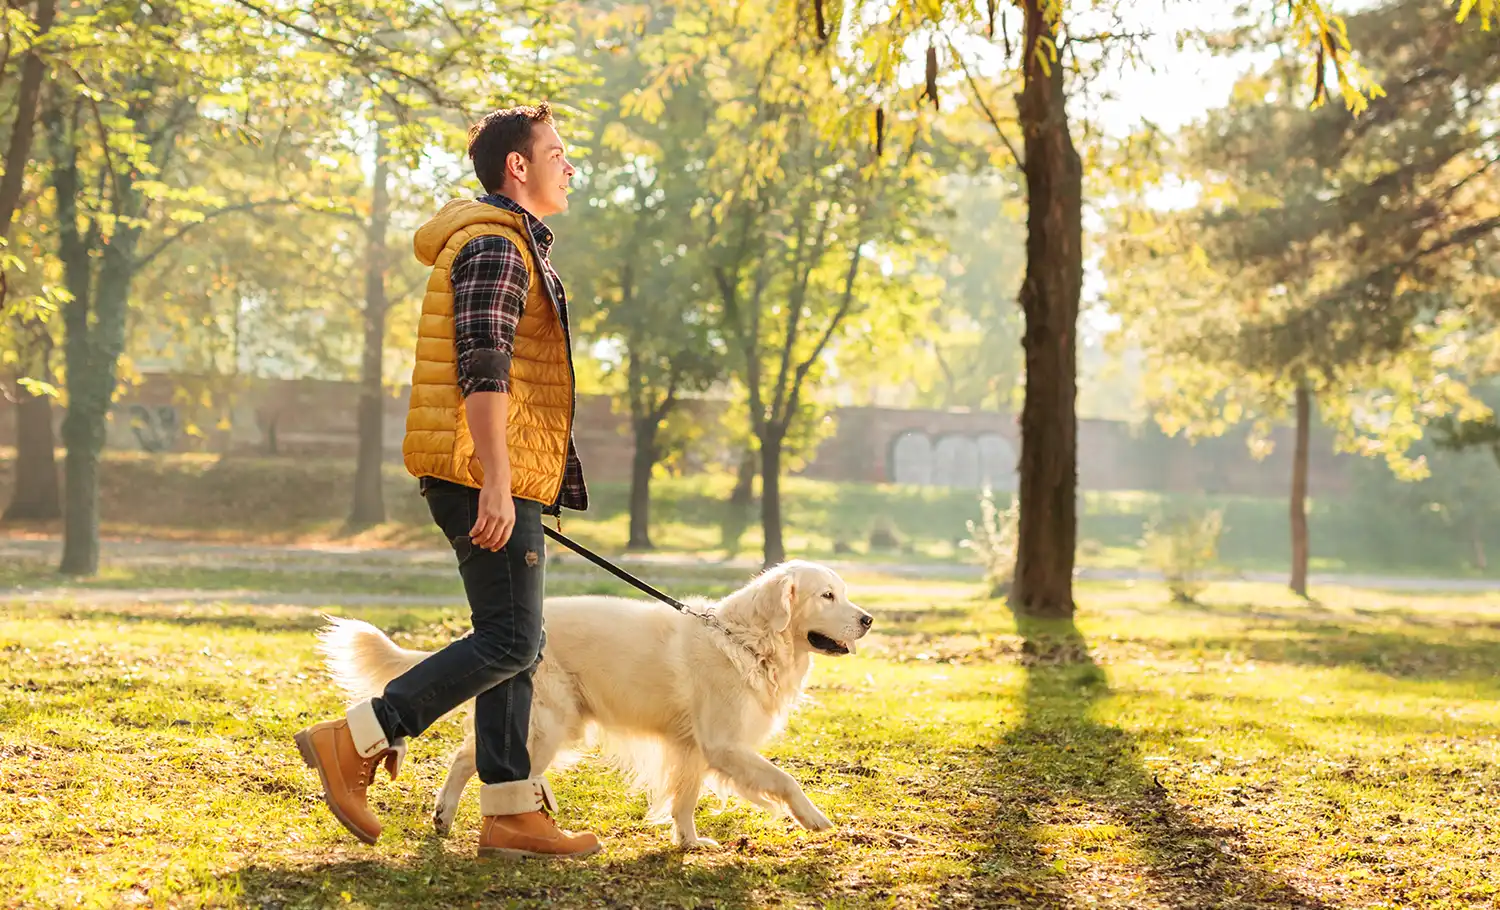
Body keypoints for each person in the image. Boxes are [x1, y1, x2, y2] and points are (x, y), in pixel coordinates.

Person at [294, 102, 598, 860]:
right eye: (556, 152)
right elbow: (484, 363)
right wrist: (498, 479)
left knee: (518, 644)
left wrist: (525, 479)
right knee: (513, 637)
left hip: (500, 473)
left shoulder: (513, 243)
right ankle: (356, 736)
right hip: (478, 473)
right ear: (516, 166)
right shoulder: (497, 245)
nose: (569, 165)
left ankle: (509, 812)